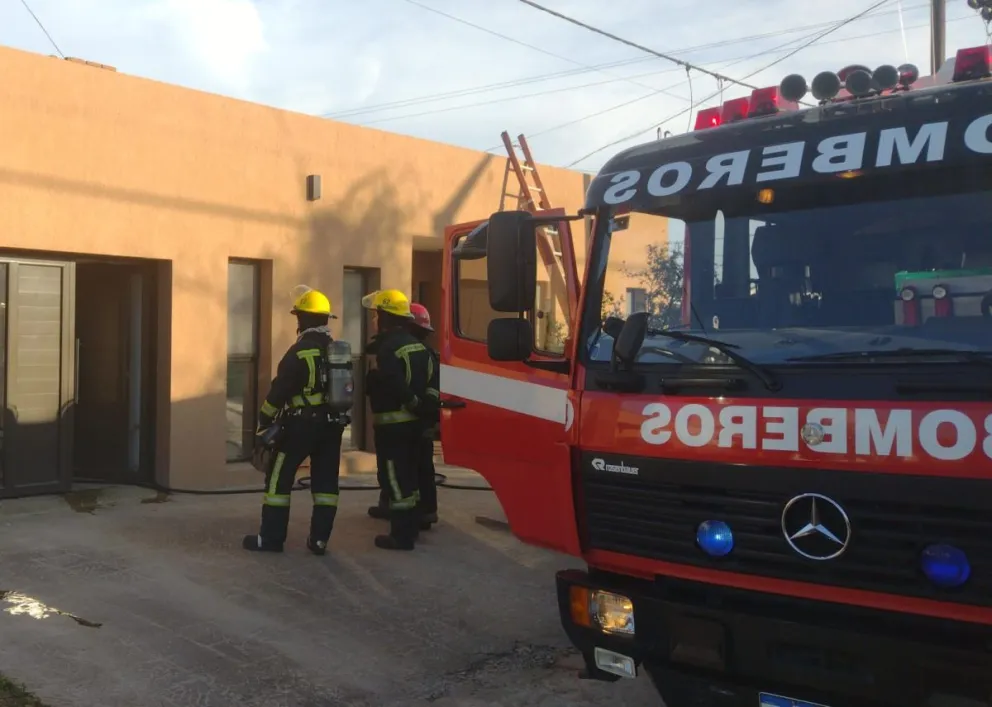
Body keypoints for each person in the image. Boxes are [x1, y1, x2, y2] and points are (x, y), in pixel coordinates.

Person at [243, 288, 347, 556]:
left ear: (303, 318)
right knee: (326, 485)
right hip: (332, 426)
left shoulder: (299, 352)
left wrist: (263, 422)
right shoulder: (337, 352)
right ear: (325, 320)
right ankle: (319, 541)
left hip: (301, 425)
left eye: (298, 316)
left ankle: (271, 540)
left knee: (279, 480)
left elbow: (279, 393)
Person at [362, 288, 433, 550]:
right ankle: (411, 526)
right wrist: (425, 408)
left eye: (377, 314)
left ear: (385, 316)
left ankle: (401, 536)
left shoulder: (389, 348)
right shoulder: (419, 345)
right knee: (410, 477)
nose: (375, 320)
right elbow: (431, 380)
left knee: (393, 477)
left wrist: (412, 402)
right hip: (415, 426)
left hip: (393, 427)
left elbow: (393, 382)